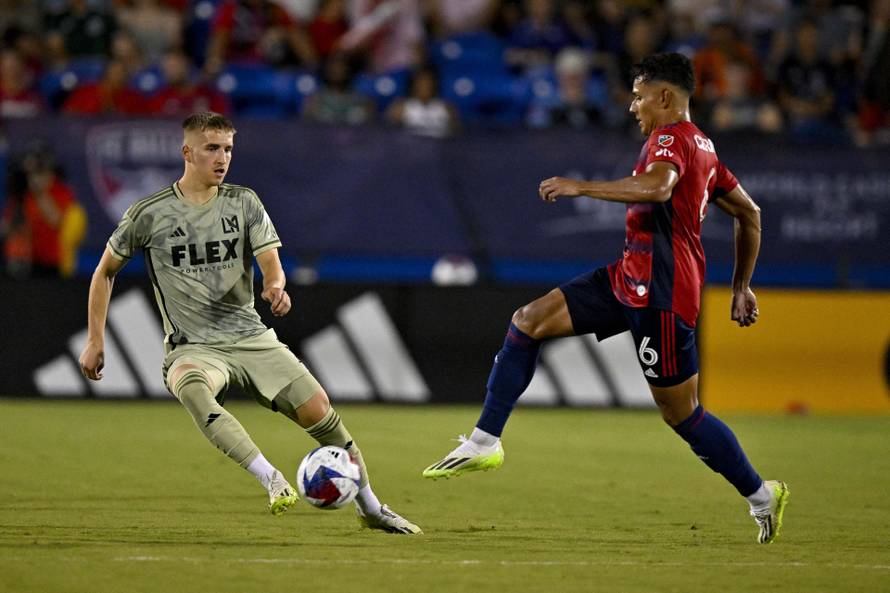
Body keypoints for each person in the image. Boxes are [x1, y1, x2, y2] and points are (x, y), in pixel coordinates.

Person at [423, 53, 789, 544]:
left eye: (639, 97)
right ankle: (484, 441)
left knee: (682, 413)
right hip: (628, 277)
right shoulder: (705, 148)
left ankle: (762, 495)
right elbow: (751, 214)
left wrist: (581, 186)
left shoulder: (672, 138)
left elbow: (659, 189)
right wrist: (741, 285)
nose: (633, 107)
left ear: (664, 96)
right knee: (528, 321)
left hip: (661, 293)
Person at [78, 112, 421, 535]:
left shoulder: (243, 202)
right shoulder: (149, 214)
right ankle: (271, 478)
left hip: (250, 337)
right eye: (212, 148)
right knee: (194, 389)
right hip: (193, 346)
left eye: (227, 150)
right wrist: (96, 340)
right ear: (187, 152)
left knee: (322, 413)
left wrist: (276, 287)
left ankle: (370, 507)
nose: (222, 158)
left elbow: (271, 265)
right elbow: (104, 272)